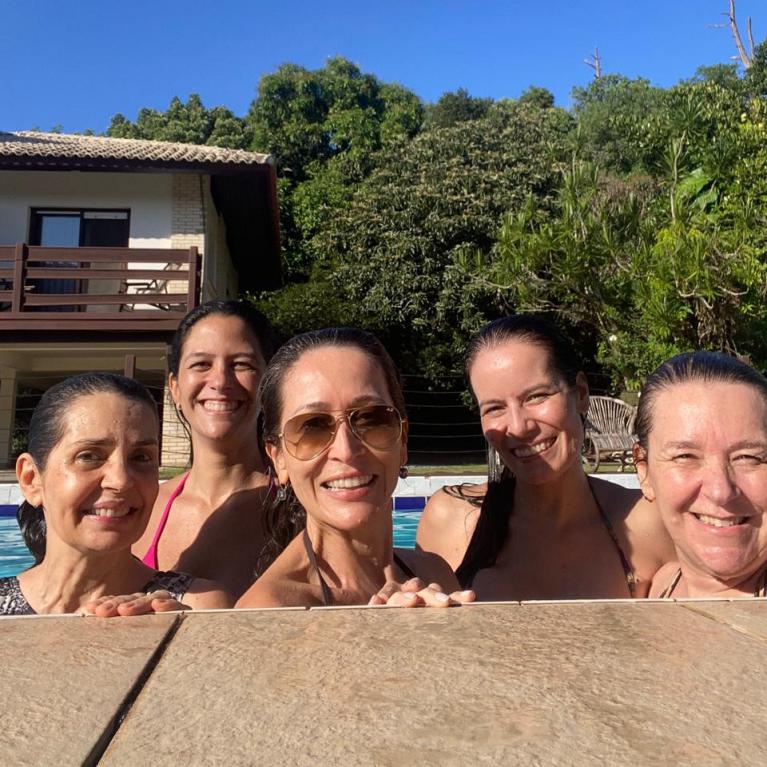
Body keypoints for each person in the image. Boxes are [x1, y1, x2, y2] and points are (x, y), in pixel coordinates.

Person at [417, 314, 674, 600]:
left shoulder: (649, 522)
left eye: (536, 396)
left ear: (581, 394)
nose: (518, 427)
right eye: (494, 408)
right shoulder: (451, 521)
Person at [237, 328, 474, 608]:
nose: (346, 450)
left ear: (402, 440)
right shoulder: (270, 609)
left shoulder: (434, 573)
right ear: (278, 458)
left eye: (371, 419)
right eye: (312, 427)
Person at [1, 373, 229, 616]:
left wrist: (181, 633)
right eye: (89, 456)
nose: (121, 481)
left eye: (141, 457)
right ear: (31, 479)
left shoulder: (197, 606)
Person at [134, 299, 276, 600]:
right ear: (174, 387)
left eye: (242, 364)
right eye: (201, 364)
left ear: (267, 383)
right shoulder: (140, 506)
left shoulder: (301, 507)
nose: (221, 381)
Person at [635, 352, 767, 599]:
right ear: (645, 472)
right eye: (685, 456)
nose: (720, 491)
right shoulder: (659, 586)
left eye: (748, 457)